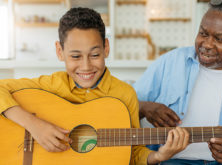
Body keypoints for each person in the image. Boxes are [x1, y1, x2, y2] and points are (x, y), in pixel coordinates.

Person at [0, 7, 189, 164]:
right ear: (60, 51)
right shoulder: (51, 85)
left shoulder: (124, 95)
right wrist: (34, 125)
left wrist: (159, 156)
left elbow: (132, 152)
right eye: (75, 56)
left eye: (95, 55)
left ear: (106, 48)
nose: (86, 66)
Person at [133, 0, 222, 164]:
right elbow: (122, 106)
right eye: (203, 34)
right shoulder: (172, 61)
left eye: (219, 38)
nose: (207, 44)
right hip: (174, 161)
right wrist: (145, 107)